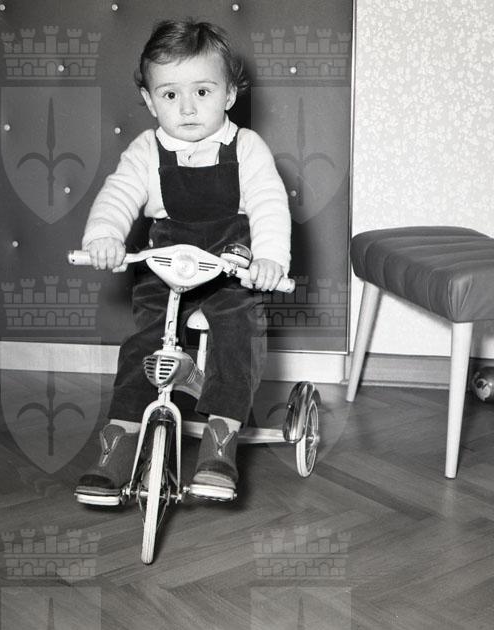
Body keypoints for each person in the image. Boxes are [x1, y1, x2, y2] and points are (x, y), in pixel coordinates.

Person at [76, 19, 290, 501]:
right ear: (150, 101)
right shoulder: (146, 151)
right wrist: (105, 236)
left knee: (239, 330)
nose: (187, 108)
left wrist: (270, 258)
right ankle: (120, 438)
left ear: (229, 94)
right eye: (170, 95)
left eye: (203, 91)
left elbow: (269, 203)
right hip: (165, 265)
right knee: (144, 342)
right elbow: (119, 193)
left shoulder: (246, 148)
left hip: (230, 265)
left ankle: (221, 437)